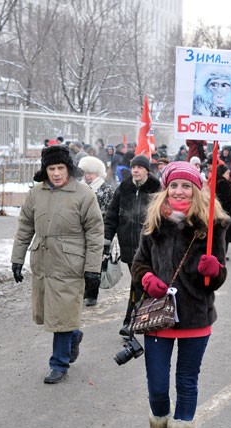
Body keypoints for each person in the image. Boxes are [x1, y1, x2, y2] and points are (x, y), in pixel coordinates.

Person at [131, 161, 229, 428]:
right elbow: (139, 264)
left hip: (195, 318)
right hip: (158, 318)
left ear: (196, 189)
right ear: (166, 188)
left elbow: (218, 277)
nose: (179, 191)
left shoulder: (210, 225)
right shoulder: (155, 224)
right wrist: (147, 280)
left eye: (186, 185)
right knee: (157, 385)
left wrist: (213, 272)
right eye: (174, 185)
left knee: (186, 382)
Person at [11, 145, 104, 383]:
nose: (56, 173)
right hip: (43, 261)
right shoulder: (36, 193)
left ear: (69, 168)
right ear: (45, 170)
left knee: (61, 315)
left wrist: (93, 269)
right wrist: (17, 259)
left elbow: (95, 233)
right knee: (51, 314)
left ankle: (59, 364)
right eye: (51, 168)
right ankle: (74, 335)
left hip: (71, 263)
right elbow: (25, 227)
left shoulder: (83, 194)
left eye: (60, 167)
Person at [104, 154, 161, 337]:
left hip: (149, 247)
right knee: (139, 283)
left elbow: (163, 217)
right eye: (133, 167)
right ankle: (143, 318)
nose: (135, 170)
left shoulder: (156, 189)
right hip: (128, 246)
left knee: (138, 282)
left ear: (146, 170)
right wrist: (106, 240)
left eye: (139, 167)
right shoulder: (124, 187)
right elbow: (112, 215)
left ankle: (131, 321)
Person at [78, 155, 115, 307]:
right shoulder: (78, 188)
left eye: (91, 173)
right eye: (86, 173)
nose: (88, 176)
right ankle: (81, 291)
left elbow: (111, 212)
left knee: (95, 263)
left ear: (98, 174)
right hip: (79, 231)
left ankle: (92, 294)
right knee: (79, 262)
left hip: (98, 231)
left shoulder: (106, 190)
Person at [215, 164, 231, 257]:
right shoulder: (222, 183)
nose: (228, 175)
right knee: (225, 235)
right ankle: (222, 254)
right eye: (227, 173)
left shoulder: (219, 182)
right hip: (226, 211)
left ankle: (222, 254)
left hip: (223, 211)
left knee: (224, 235)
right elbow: (228, 196)